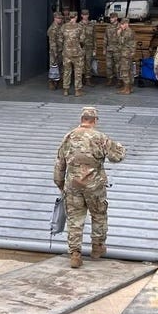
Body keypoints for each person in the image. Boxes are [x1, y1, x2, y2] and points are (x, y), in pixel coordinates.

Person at [53, 106, 126, 268]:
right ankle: (97, 248)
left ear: (82, 119)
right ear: (95, 120)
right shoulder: (100, 137)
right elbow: (116, 157)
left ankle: (75, 254)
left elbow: (60, 163)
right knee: (99, 214)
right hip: (95, 186)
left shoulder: (68, 137)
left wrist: (60, 183)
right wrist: (121, 147)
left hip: (73, 186)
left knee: (74, 219)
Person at [60, 11, 85, 96]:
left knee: (67, 71)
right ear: (76, 17)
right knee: (78, 72)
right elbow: (82, 40)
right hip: (77, 53)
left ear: (69, 17)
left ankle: (66, 90)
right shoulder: (79, 27)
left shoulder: (63, 27)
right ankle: (77, 91)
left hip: (66, 53)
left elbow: (60, 39)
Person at [115, 17, 137, 95]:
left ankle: (126, 89)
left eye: (122, 24)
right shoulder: (130, 31)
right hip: (128, 53)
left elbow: (121, 42)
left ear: (125, 24)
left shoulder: (127, 32)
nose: (121, 26)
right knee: (129, 70)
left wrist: (118, 34)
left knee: (125, 71)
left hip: (125, 54)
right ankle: (129, 87)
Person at [46, 12, 64, 90]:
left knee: (61, 67)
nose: (60, 20)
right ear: (55, 18)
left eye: (61, 18)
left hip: (62, 50)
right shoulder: (52, 28)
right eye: (58, 18)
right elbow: (52, 42)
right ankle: (51, 82)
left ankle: (60, 81)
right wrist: (54, 53)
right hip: (55, 51)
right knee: (53, 67)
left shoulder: (62, 26)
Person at [103, 12, 121, 86]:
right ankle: (110, 79)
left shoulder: (120, 27)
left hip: (117, 49)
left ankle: (119, 80)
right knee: (109, 66)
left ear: (116, 18)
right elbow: (105, 38)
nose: (111, 19)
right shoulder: (108, 27)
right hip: (109, 49)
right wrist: (104, 48)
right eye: (110, 18)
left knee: (118, 66)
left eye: (112, 18)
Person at [79, 9, 96, 86]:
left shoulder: (91, 25)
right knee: (80, 63)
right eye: (84, 15)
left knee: (88, 63)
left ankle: (88, 79)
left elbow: (94, 37)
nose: (85, 16)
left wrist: (95, 48)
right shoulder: (78, 25)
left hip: (89, 47)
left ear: (88, 15)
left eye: (86, 15)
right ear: (81, 15)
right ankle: (81, 79)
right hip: (81, 47)